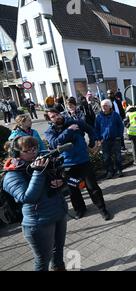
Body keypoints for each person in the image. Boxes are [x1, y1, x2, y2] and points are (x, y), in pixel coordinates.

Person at [3, 136, 68, 271]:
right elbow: (27, 197)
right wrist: (38, 172)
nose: (34, 152)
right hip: (38, 223)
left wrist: (60, 181)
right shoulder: (11, 175)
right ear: (17, 153)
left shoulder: (41, 162)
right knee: (43, 260)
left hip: (58, 213)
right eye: (29, 150)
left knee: (58, 251)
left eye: (35, 148)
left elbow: (56, 181)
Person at [44, 108, 112, 221]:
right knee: (73, 188)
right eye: (53, 116)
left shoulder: (73, 122)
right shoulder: (49, 131)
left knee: (92, 187)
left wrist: (93, 140)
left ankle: (102, 208)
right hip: (67, 165)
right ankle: (80, 209)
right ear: (50, 120)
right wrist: (69, 131)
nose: (57, 117)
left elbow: (89, 129)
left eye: (57, 114)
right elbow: (55, 142)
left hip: (83, 161)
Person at [95, 99, 125, 178]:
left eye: (105, 105)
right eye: (102, 106)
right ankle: (110, 171)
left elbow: (121, 126)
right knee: (106, 157)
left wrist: (119, 136)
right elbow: (97, 128)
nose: (103, 107)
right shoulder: (99, 116)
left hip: (115, 139)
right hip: (104, 140)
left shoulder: (115, 115)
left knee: (117, 156)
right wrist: (98, 138)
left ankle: (119, 170)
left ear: (110, 106)